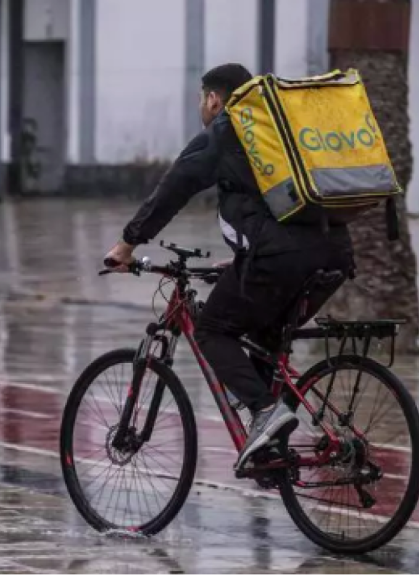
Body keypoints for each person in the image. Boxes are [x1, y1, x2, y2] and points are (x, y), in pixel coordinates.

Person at [103, 63, 354, 469]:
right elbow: (279, 208)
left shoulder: (227, 130)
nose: (202, 107)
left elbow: (176, 185)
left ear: (214, 99)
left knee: (212, 329)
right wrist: (246, 256)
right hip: (336, 253)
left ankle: (266, 414)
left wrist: (127, 243)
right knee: (262, 337)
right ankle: (272, 452)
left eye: (202, 100)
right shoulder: (283, 128)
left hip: (280, 259)